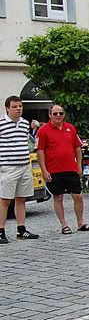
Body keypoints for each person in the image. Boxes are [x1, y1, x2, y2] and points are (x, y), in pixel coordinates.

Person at [36, 105, 89, 234]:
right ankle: (64, 225)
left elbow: (77, 148)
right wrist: (44, 170)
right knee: (58, 197)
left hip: (71, 168)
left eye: (60, 113)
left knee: (78, 196)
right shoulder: (43, 130)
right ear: (50, 115)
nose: (58, 116)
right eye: (55, 113)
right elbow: (40, 151)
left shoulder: (70, 128)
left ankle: (80, 223)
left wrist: (79, 165)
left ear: (64, 114)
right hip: (54, 170)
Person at [0, 96, 39, 243]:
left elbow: (29, 142)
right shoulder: (1, 123)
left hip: (24, 165)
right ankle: (1, 230)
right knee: (5, 200)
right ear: (7, 108)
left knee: (22, 198)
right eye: (15, 106)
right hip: (8, 166)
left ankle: (21, 229)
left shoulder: (24, 124)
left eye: (20, 106)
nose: (18, 109)